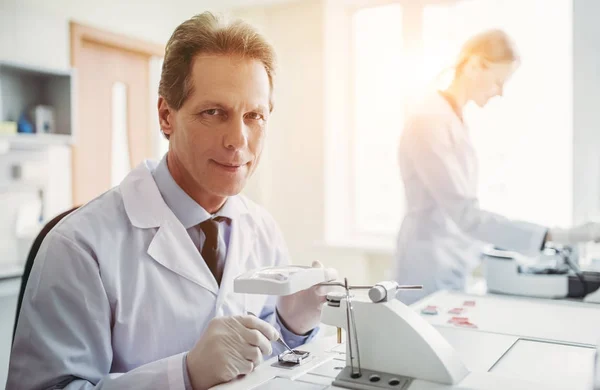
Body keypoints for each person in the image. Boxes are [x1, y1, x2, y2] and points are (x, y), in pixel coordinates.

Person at [8, 12, 337, 390]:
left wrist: (293, 328)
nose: (238, 140)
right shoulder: (79, 247)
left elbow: (267, 366)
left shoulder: (262, 229)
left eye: (254, 116)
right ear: (166, 116)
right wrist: (183, 375)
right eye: (214, 113)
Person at [394, 29, 600, 305]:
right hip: (428, 267)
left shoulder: (451, 117)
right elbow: (466, 214)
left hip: (451, 262)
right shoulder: (429, 119)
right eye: (498, 82)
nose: (500, 93)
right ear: (475, 64)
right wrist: (561, 235)